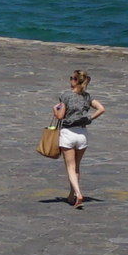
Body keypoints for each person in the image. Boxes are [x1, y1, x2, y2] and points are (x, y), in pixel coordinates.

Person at [50, 67, 101, 207]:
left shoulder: (66, 96)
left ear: (76, 81)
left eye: (72, 78)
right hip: (82, 134)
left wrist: (55, 109)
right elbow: (101, 108)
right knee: (77, 167)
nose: (70, 80)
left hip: (68, 133)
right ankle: (71, 195)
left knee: (70, 167)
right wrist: (89, 118)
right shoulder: (87, 97)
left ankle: (78, 193)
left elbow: (60, 116)